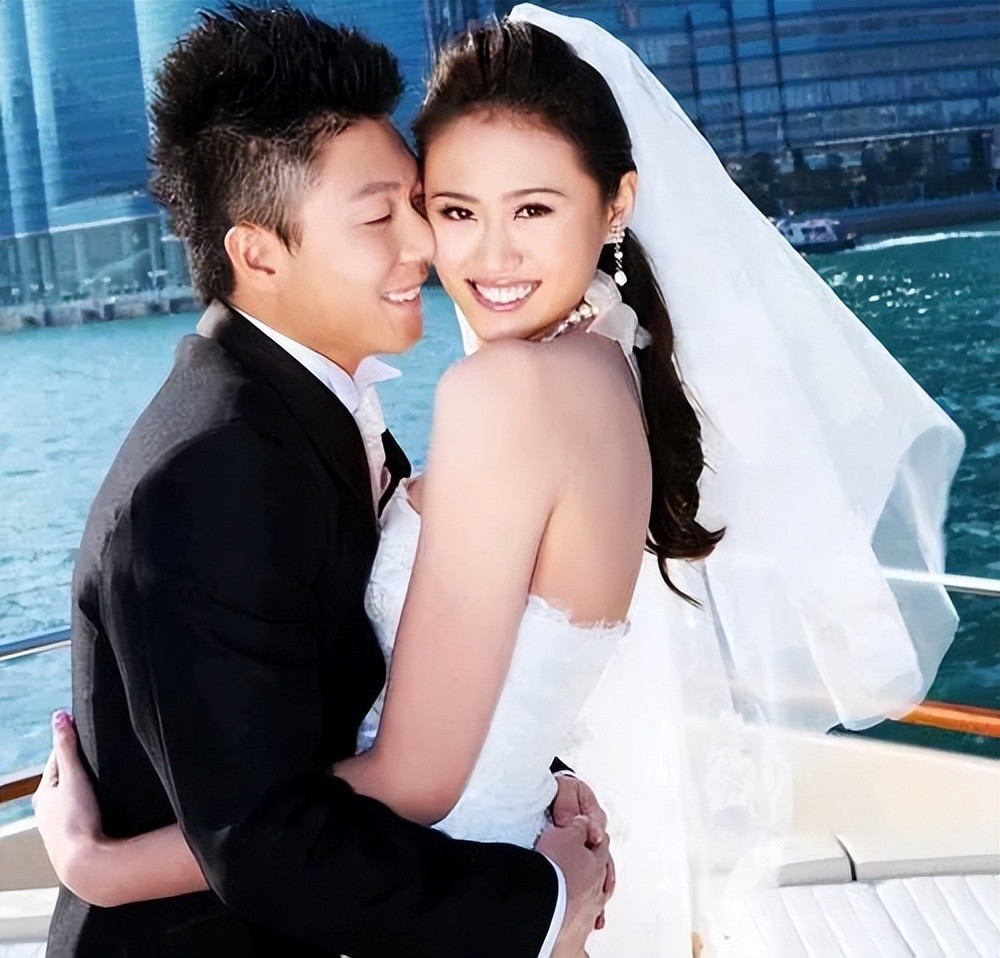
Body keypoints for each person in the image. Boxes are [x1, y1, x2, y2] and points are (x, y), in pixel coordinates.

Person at [36, 5, 964, 957]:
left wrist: (100, 864)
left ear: (615, 204)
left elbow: (414, 769)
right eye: (444, 211)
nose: (441, 249)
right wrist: (537, 806)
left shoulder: (500, 393)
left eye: (529, 209)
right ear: (259, 253)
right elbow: (285, 815)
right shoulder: (601, 365)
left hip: (453, 883)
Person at [37, 5, 614, 957]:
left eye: (418, 205)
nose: (426, 245)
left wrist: (529, 775)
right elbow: (264, 840)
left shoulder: (313, 410)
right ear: (258, 253)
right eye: (380, 215)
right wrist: (541, 900)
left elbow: (374, 677)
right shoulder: (208, 473)